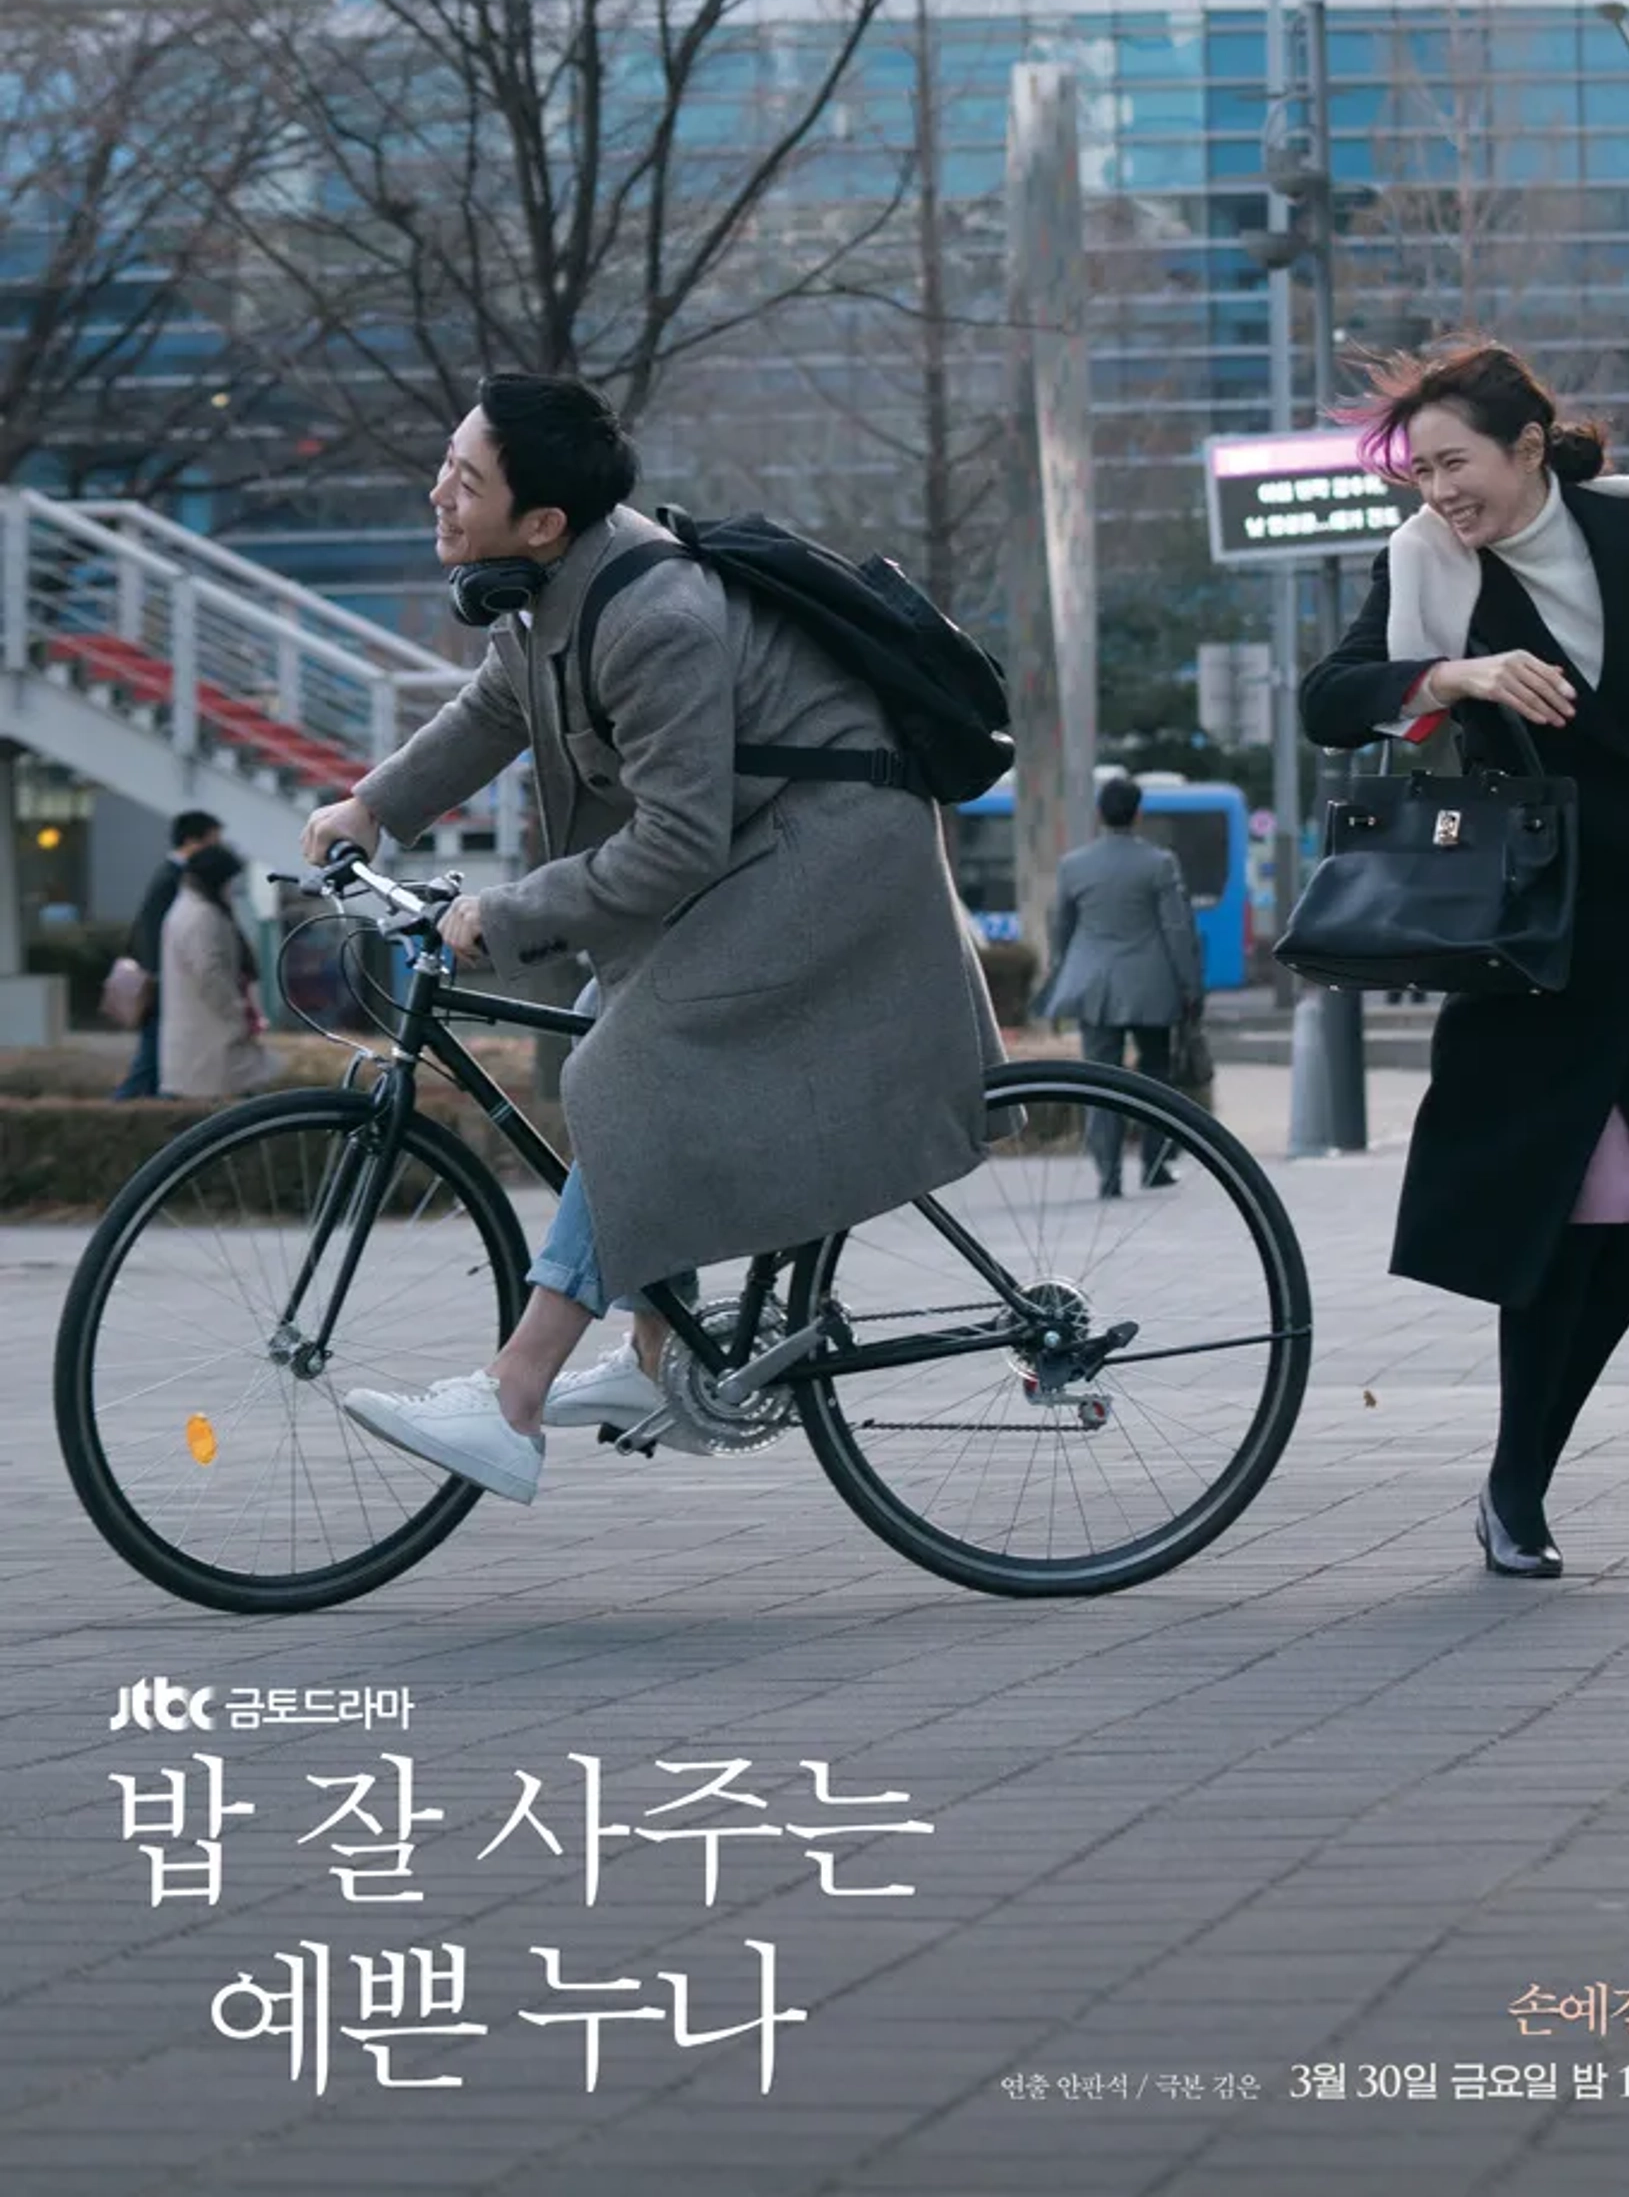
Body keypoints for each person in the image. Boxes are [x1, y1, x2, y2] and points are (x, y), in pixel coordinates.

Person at [303, 372, 1002, 1506]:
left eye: (463, 480)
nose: (437, 492)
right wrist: (373, 803)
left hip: (834, 844)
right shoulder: (550, 583)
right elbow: (496, 704)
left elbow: (673, 844)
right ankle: (653, 1356)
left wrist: (510, 911)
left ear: (542, 521)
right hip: (763, 835)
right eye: (448, 464)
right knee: (615, 1037)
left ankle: (514, 1392)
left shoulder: (651, 615)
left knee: (623, 1059)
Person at [1300, 335, 1629, 1583]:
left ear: (1529, 447)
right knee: (1566, 1204)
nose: (1439, 493)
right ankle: (1518, 1484)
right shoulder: (1429, 565)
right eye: (1419, 471)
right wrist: (1455, 671)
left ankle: (1517, 1471)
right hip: (1540, 934)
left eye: (1456, 463)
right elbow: (1330, 698)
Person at [1036, 774, 1204, 1197]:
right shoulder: (1159, 863)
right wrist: (1190, 986)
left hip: (1093, 986)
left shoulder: (1074, 865)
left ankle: (1107, 1175)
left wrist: (1061, 972)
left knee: (1101, 1083)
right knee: (1155, 1077)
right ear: (1139, 813)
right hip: (1151, 985)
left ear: (1099, 813)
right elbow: (1176, 929)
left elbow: (1061, 929)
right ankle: (1154, 1165)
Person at [112, 809, 225, 1099]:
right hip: (163, 986)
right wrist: (161, 977)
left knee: (155, 1060)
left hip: (165, 984)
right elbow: (149, 930)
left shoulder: (174, 875)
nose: (216, 849)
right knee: (151, 1059)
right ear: (191, 841)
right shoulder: (172, 878)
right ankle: (123, 1109)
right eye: (212, 841)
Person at [157, 842, 274, 1101]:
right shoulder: (202, 916)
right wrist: (238, 1013)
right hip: (212, 1034)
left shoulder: (192, 909)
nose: (231, 889)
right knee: (234, 1110)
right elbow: (209, 974)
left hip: (202, 1034)